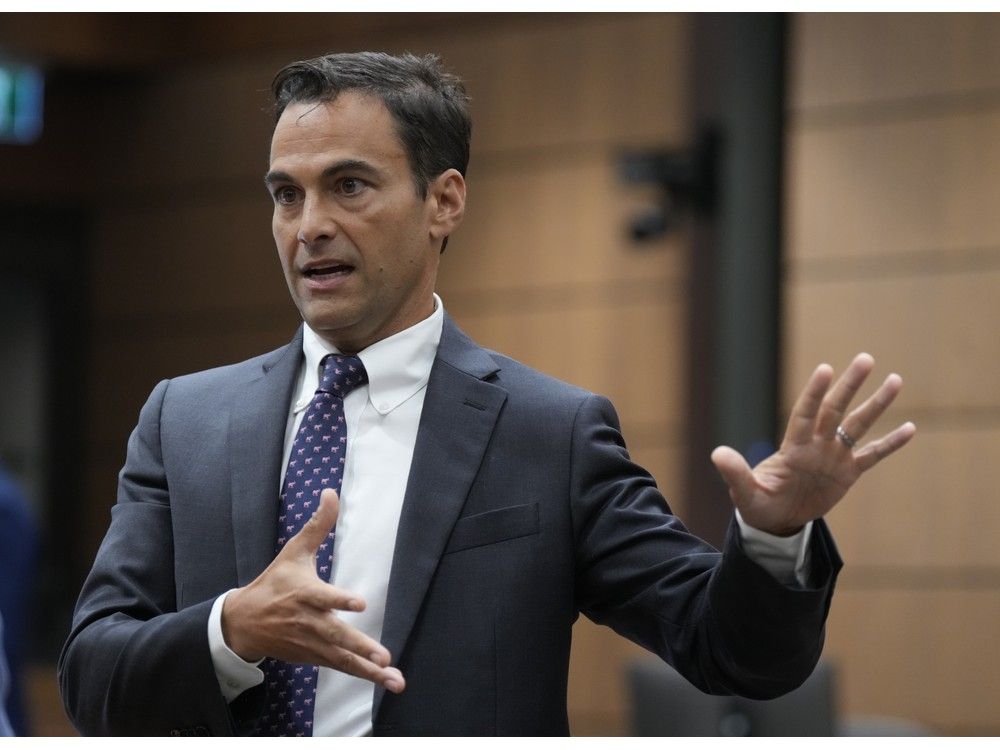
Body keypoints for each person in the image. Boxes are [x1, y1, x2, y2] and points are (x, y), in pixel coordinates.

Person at [58, 52, 915, 737]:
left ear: (444, 201)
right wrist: (231, 631)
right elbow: (92, 679)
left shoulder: (549, 433)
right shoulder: (187, 420)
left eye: (348, 186)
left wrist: (775, 538)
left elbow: (734, 655)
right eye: (287, 194)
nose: (308, 224)